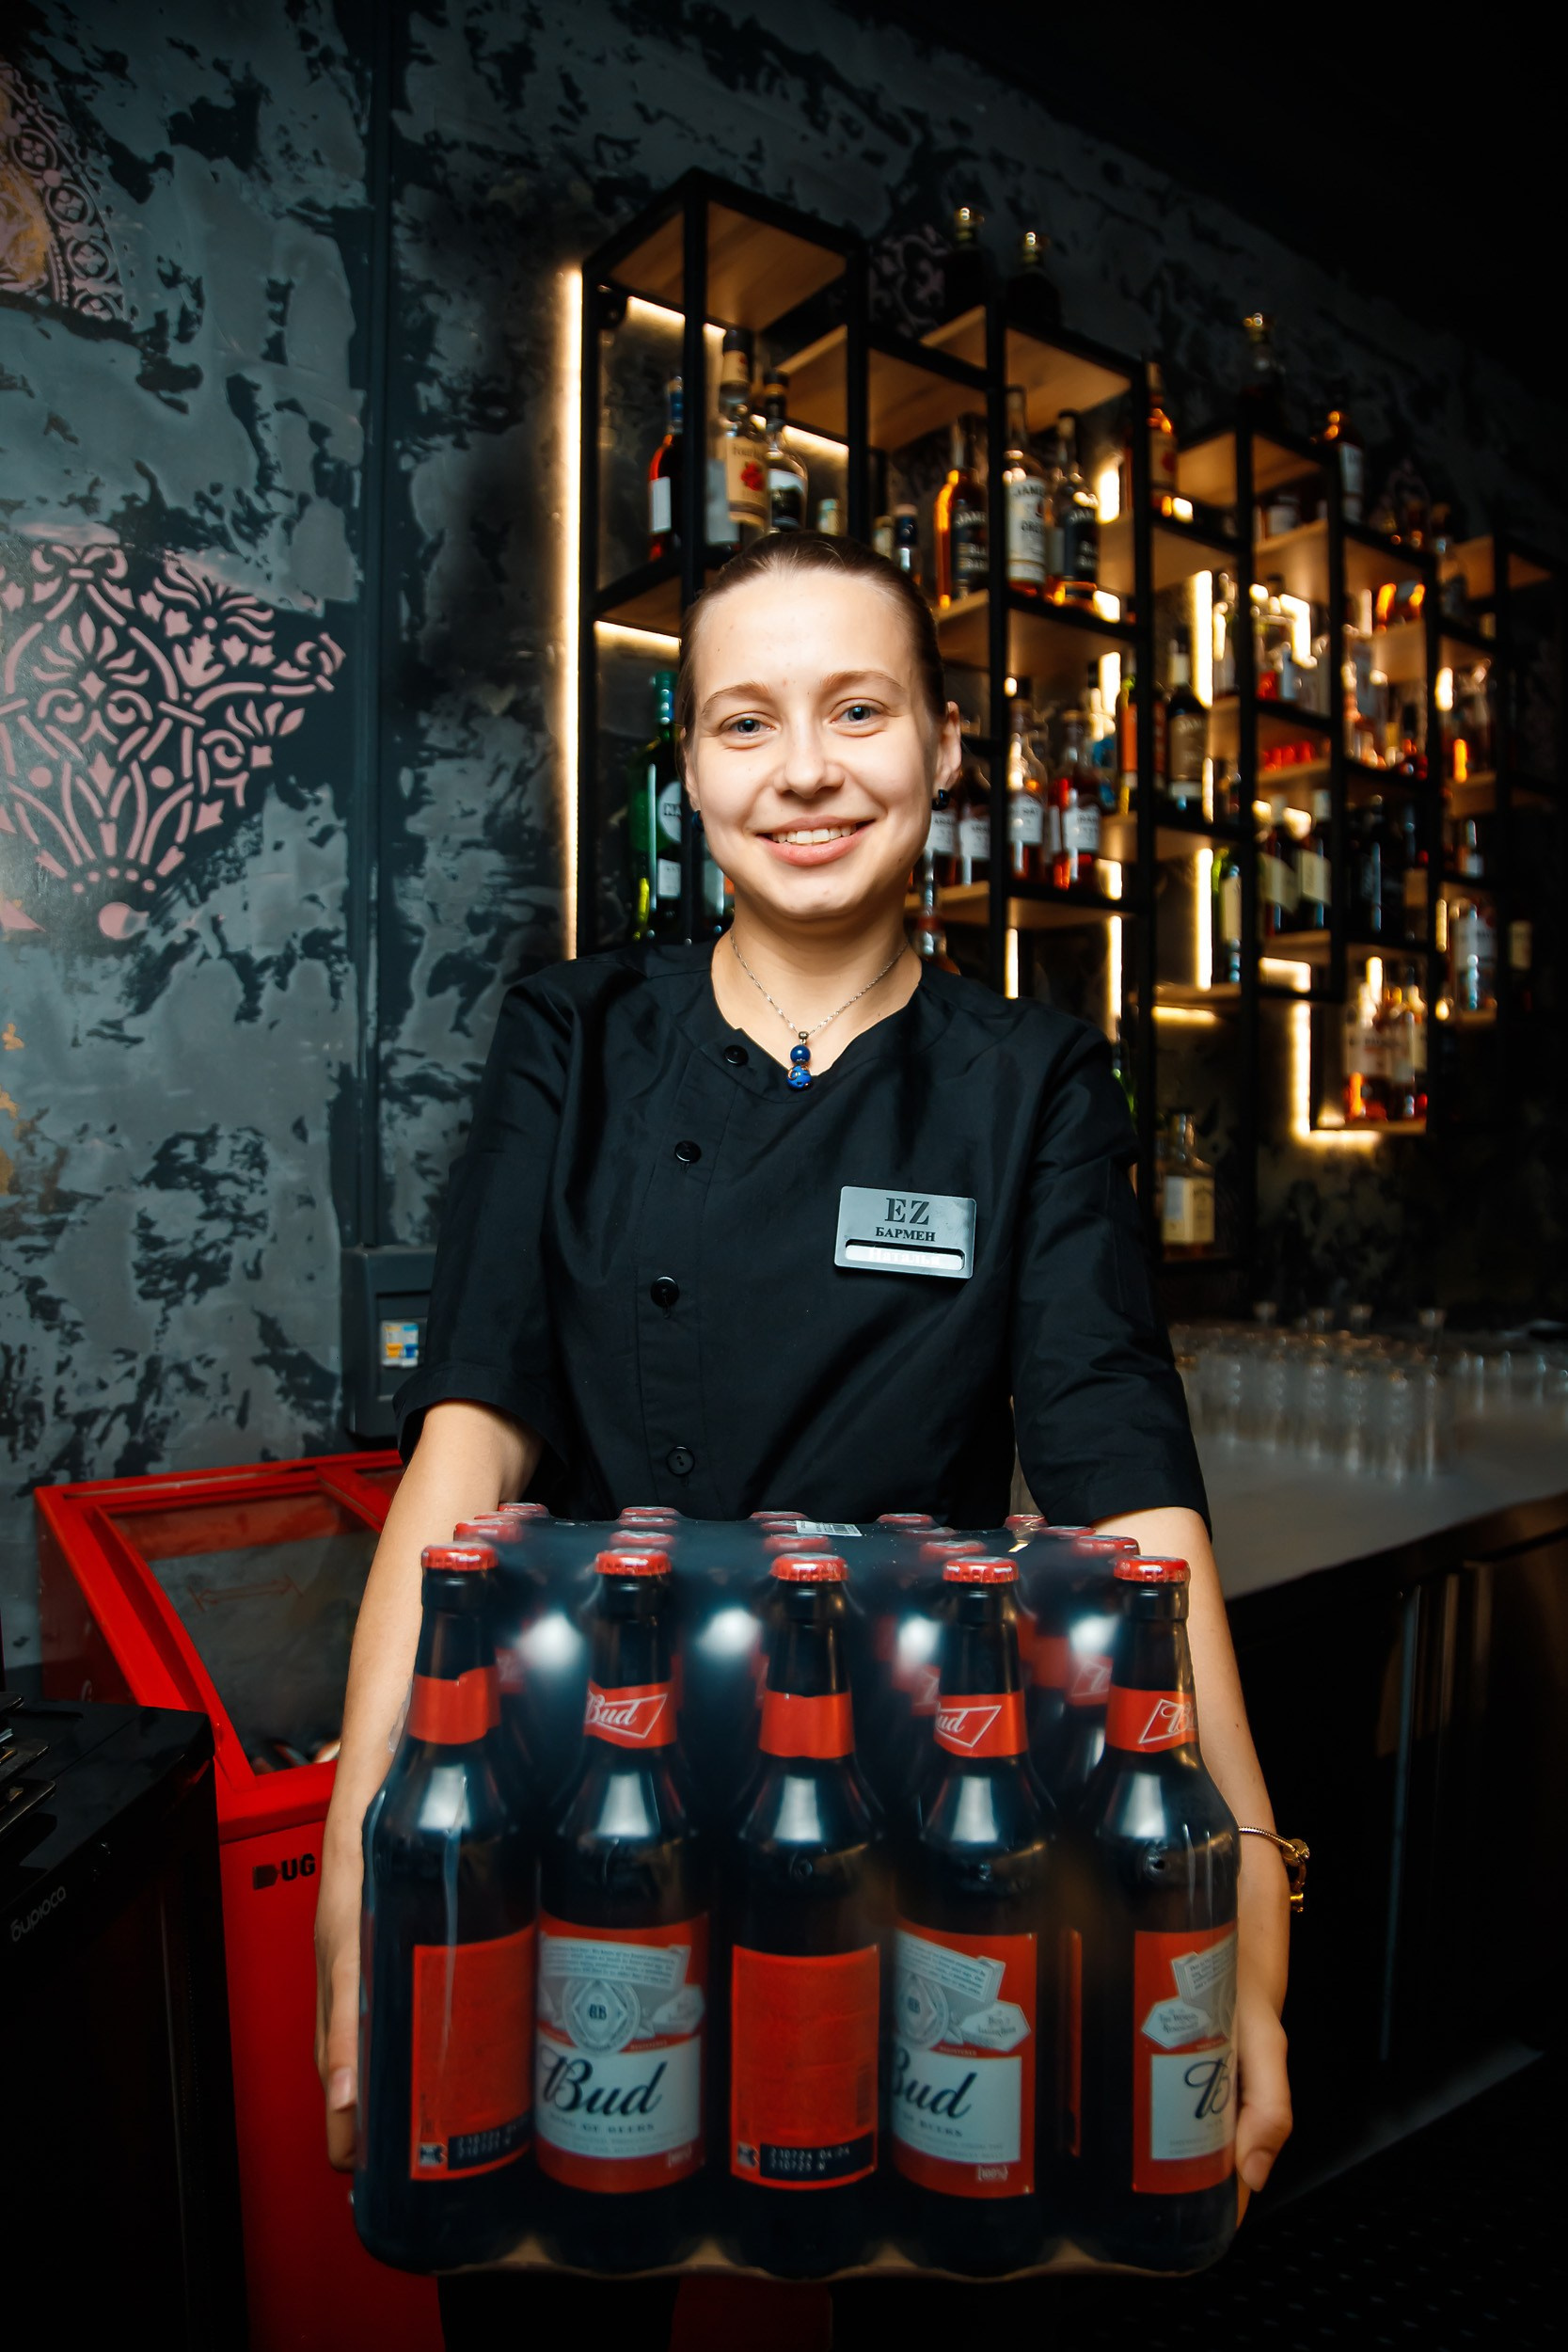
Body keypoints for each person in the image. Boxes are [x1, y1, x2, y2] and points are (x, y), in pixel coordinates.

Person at [315, 531, 1292, 2337]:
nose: (805, 773)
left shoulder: (1033, 1080)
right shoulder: (577, 1035)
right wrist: (364, 1858)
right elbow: (466, 1451)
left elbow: (1130, 1498)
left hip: (905, 1804)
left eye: (858, 710)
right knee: (552, 2288)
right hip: (576, 1783)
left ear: (941, 745)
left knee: (935, 2263)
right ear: (689, 770)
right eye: (744, 722)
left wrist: (1244, 1883)